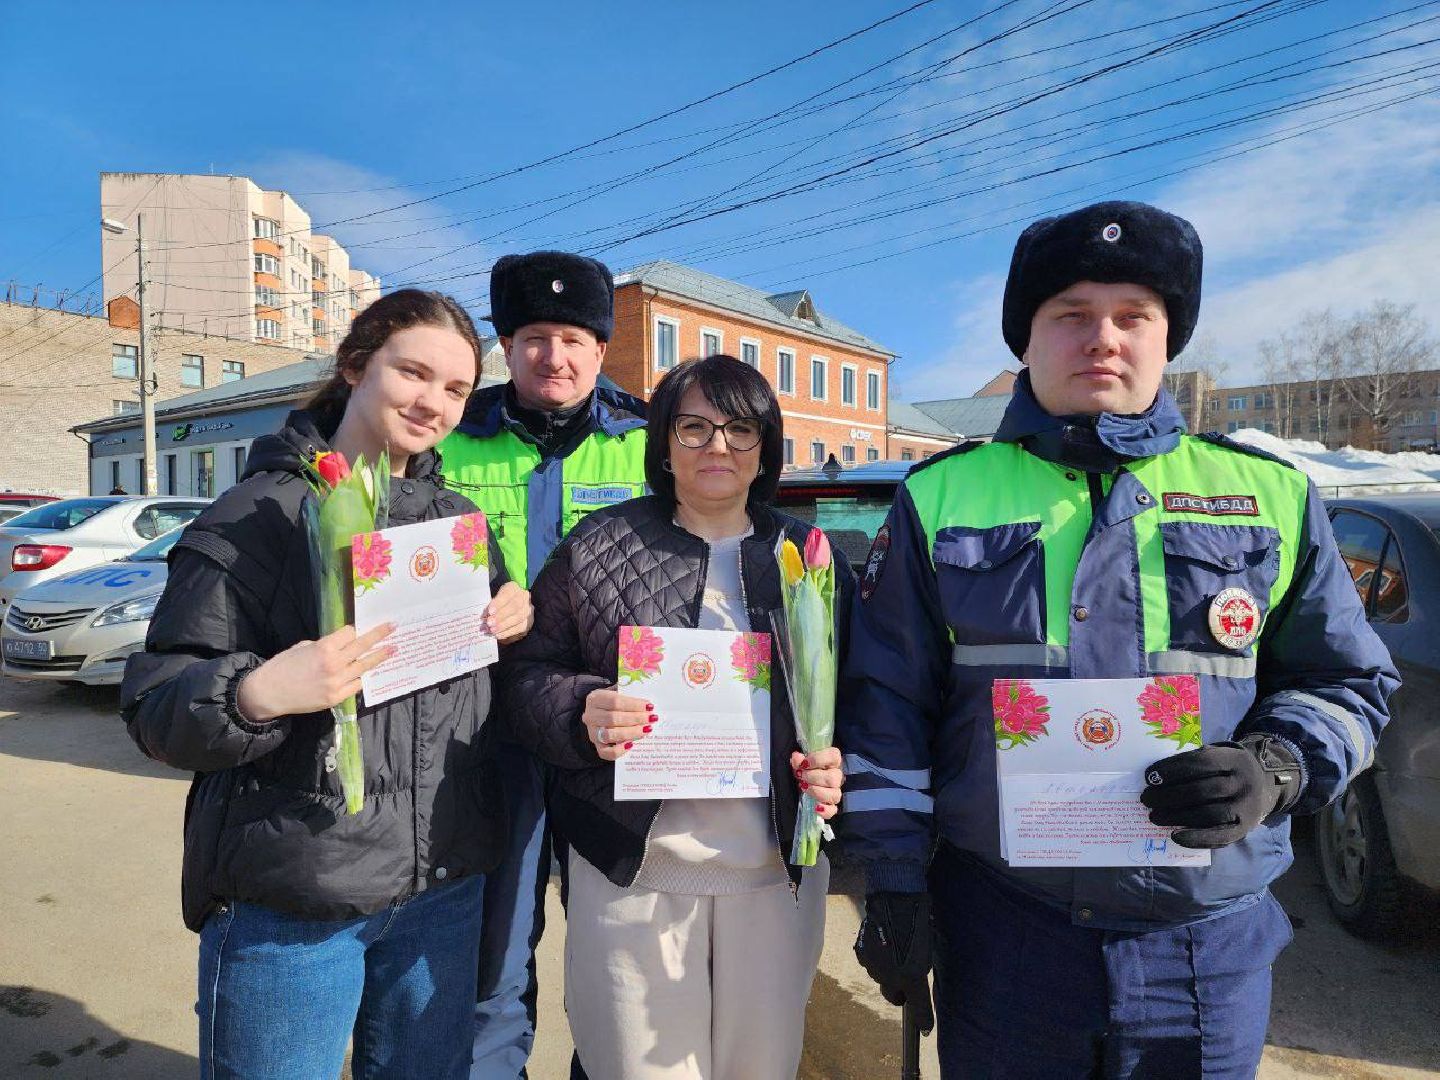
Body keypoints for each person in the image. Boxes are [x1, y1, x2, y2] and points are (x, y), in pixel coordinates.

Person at [840, 202, 1398, 1078]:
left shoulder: (1272, 494)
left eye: (1133, 316)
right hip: (1008, 938)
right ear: (1025, 339)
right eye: (1071, 316)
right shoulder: (941, 497)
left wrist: (1276, 767)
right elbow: (886, 706)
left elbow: (1349, 683)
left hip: (1204, 947)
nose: (1103, 338)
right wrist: (894, 882)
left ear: (1168, 339)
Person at [120, 289, 534, 1080]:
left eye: (454, 389)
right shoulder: (256, 516)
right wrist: (259, 691)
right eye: (413, 373)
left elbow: (481, 698)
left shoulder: (457, 527)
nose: (433, 403)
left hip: (440, 891)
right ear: (354, 367)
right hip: (296, 899)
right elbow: (154, 704)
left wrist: (515, 623)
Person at [503, 355, 849, 1080]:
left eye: (740, 429)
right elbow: (526, 675)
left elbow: (868, 695)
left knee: (761, 1067)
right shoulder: (599, 545)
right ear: (663, 443)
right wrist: (580, 711)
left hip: (775, 875)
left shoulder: (809, 557)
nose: (717, 447)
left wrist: (840, 759)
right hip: (633, 872)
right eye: (694, 427)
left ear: (767, 447)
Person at [438, 250, 647, 1078]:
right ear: (503, 344)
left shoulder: (648, 445)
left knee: (622, 949)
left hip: (616, 732)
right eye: (531, 337)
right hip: (487, 731)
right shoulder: (450, 444)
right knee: (496, 947)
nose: (551, 357)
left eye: (571, 337)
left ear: (601, 349)